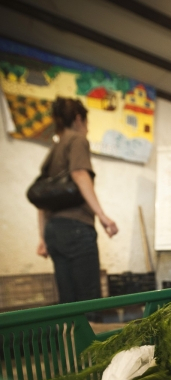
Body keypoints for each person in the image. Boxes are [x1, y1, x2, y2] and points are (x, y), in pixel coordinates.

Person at [36, 97, 118, 303]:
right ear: (79, 119)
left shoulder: (53, 150)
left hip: (53, 231)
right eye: (87, 123)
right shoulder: (76, 140)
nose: (87, 129)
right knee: (88, 301)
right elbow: (80, 174)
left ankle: (70, 336)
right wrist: (103, 216)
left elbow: (43, 200)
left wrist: (43, 238)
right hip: (77, 229)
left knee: (68, 303)